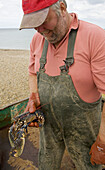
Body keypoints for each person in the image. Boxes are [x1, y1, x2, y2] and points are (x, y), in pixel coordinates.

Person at [20, 0, 105, 169]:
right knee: (46, 163)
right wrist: (34, 97)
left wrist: (102, 142)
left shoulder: (95, 36)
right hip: (49, 126)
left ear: (62, 8)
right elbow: (32, 72)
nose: (39, 30)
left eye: (43, 21)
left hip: (85, 128)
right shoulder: (37, 40)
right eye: (34, 25)